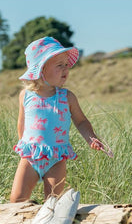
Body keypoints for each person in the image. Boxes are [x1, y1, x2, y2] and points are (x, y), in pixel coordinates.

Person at [10, 36, 106, 202]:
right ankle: (28, 223)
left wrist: (92, 138)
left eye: (66, 65)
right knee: (17, 199)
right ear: (41, 70)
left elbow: (81, 121)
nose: (65, 70)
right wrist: (22, 146)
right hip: (31, 156)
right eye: (59, 65)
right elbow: (22, 122)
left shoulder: (67, 97)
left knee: (52, 201)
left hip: (56, 158)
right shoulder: (25, 96)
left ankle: (48, 222)